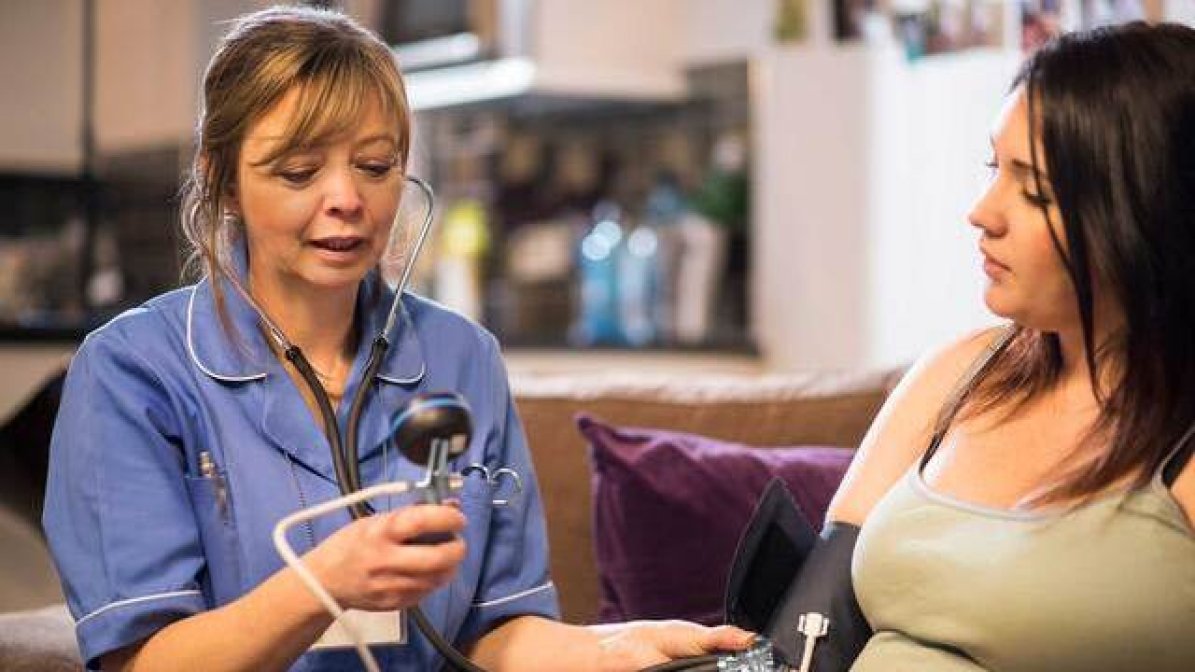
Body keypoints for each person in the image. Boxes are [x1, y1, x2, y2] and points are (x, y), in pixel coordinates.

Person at [41, 6, 751, 671]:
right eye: (298, 171)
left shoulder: (463, 358)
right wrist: (326, 582)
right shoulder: (131, 374)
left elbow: (489, 632)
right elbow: (141, 660)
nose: (347, 198)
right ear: (222, 182)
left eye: (376, 166)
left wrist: (610, 649)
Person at [825, 21, 1195, 671]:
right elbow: (810, 621)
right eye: (993, 168)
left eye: (1034, 190)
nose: (982, 212)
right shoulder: (959, 374)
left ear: (1148, 212)